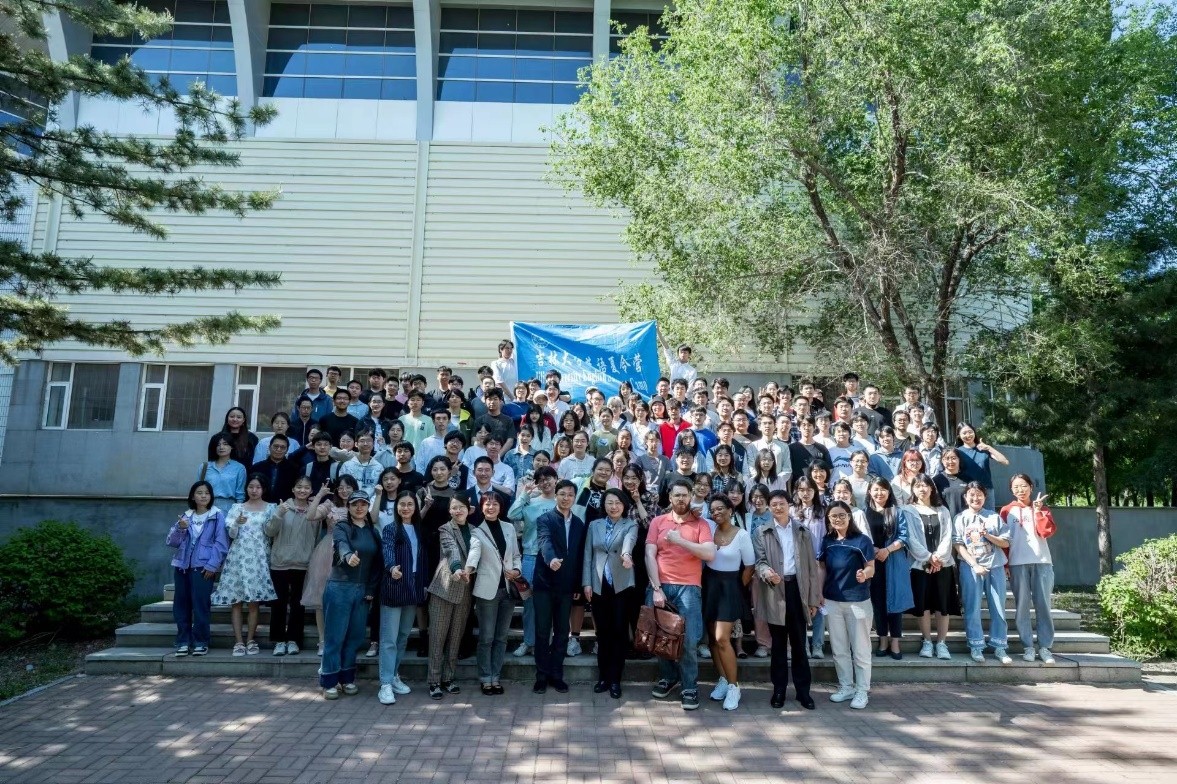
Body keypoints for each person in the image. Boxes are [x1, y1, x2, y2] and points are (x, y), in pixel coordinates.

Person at [646, 478, 716, 711]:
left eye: (685, 495)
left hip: (689, 588)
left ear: (691, 496)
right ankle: (668, 677)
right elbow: (649, 554)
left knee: (688, 640)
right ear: (670, 497)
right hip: (661, 585)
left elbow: (709, 554)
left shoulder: (701, 524)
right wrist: (656, 588)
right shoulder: (658, 521)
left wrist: (680, 540)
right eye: (677, 495)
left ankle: (689, 687)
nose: (681, 499)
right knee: (661, 638)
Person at [752, 489, 821, 710]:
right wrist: (766, 573)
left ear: (789, 505)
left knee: (799, 644)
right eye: (774, 504)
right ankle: (779, 690)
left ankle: (803, 692)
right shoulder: (761, 532)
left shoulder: (802, 531)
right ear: (769, 507)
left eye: (781, 503)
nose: (778, 508)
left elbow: (811, 568)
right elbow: (760, 562)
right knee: (778, 645)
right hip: (775, 590)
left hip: (798, 590)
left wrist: (813, 599)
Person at [319, 490, 383, 699]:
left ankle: (347, 678)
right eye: (355, 504)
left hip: (362, 590)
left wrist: (371, 590)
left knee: (355, 637)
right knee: (335, 636)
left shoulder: (373, 532)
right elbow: (341, 544)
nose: (359, 507)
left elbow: (377, 565)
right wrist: (347, 556)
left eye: (363, 504)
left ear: (368, 507)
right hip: (340, 587)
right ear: (348, 507)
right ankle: (329, 681)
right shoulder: (342, 527)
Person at [211, 474, 278, 657]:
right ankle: (239, 641)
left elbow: (272, 532)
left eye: (258, 487)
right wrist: (236, 523)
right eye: (251, 487)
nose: (254, 490)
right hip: (238, 558)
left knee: (254, 603)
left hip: (259, 559)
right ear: (246, 488)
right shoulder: (237, 508)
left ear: (263, 489)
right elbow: (231, 535)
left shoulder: (271, 508)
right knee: (236, 602)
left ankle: (250, 640)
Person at [818, 501, 876, 710]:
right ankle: (846, 686)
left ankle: (862, 690)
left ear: (849, 516)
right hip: (832, 601)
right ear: (828, 519)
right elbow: (822, 568)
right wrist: (819, 593)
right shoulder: (827, 541)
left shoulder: (862, 540)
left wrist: (864, 574)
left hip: (857, 602)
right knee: (839, 648)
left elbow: (871, 567)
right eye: (833, 516)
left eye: (842, 515)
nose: (838, 519)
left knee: (860, 649)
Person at [863, 477, 929, 659]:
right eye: (876, 489)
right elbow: (861, 535)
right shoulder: (864, 513)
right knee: (878, 602)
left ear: (889, 492)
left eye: (883, 489)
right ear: (870, 492)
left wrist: (887, 550)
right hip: (872, 563)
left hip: (894, 562)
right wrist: (873, 549)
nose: (879, 493)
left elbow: (904, 537)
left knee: (895, 602)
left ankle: (895, 642)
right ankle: (883, 639)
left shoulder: (897, 512)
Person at [581, 488, 638, 699]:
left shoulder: (630, 524)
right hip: (598, 585)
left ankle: (615, 679)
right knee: (603, 632)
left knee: (619, 632)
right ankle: (603, 677)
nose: (614, 507)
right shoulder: (594, 525)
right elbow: (588, 555)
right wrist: (586, 583)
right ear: (603, 505)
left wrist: (626, 555)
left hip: (621, 585)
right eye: (609, 503)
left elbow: (629, 542)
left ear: (624, 505)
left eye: (618, 503)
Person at [532, 480, 587, 694]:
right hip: (544, 584)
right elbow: (544, 542)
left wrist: (578, 585)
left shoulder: (579, 524)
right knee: (542, 631)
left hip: (566, 587)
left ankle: (556, 675)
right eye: (562, 494)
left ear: (574, 498)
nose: (566, 498)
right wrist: (551, 559)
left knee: (563, 632)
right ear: (556, 495)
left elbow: (579, 556)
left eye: (570, 495)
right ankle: (541, 676)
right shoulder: (544, 519)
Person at [703, 494, 755, 711]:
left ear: (730, 510)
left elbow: (749, 567)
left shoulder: (742, 535)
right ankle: (723, 679)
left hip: (730, 587)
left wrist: (736, 588)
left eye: (720, 508)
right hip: (709, 586)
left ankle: (734, 687)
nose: (716, 513)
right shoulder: (708, 529)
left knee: (722, 638)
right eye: (713, 510)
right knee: (712, 640)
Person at [166, 481, 229, 657]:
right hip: (182, 566)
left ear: (211, 496)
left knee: (201, 605)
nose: (203, 496)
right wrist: (180, 528)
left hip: (203, 568)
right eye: (199, 493)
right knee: (181, 605)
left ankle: (201, 641)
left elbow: (221, 543)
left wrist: (212, 565)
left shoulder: (217, 516)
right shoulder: (185, 516)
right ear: (193, 496)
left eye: (207, 493)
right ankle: (183, 641)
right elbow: (172, 542)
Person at [378, 491, 429, 705]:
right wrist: (392, 568)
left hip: (413, 587)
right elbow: (387, 551)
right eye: (402, 504)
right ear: (396, 507)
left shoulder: (419, 529)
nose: (406, 508)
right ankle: (385, 684)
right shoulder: (391, 529)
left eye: (410, 504)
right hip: (395, 585)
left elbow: (423, 558)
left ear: (415, 507)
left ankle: (394, 675)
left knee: (403, 636)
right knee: (389, 639)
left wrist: (424, 583)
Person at [1001, 474, 1057, 664]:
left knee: (1044, 606)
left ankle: (1045, 647)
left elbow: (1046, 532)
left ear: (1031, 487)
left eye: (1024, 486)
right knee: (1022, 606)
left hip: (1042, 562)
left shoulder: (1041, 508)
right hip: (1017, 564)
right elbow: (1003, 541)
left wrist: (1039, 512)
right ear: (1011, 490)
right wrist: (1005, 564)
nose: (1020, 490)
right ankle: (1028, 647)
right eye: (1016, 487)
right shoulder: (1006, 511)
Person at [426, 496, 478, 699]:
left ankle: (448, 678)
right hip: (444, 587)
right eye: (454, 508)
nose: (458, 511)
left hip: (465, 589)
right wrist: (457, 568)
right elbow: (451, 550)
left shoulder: (475, 530)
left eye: (461, 507)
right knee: (437, 637)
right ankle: (434, 681)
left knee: (456, 637)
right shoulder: (445, 529)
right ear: (449, 511)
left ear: (469, 509)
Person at [954, 482, 1012, 664]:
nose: (975, 498)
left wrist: (987, 535)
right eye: (971, 494)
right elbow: (958, 545)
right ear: (965, 497)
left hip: (995, 566)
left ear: (985, 497)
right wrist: (974, 565)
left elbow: (1006, 542)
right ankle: (976, 645)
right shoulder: (960, 518)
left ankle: (999, 646)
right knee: (972, 607)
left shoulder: (994, 517)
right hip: (970, 567)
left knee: (998, 607)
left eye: (979, 494)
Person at [470, 492, 522, 695]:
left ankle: (496, 677)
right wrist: (468, 568)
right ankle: (485, 678)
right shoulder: (476, 531)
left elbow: (516, 555)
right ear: (481, 507)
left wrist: (516, 570)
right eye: (487, 504)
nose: (491, 507)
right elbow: (474, 553)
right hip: (487, 591)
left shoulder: (509, 528)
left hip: (508, 590)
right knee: (486, 637)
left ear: (501, 507)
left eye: (495, 504)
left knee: (501, 637)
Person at [302, 474, 359, 656]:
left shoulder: (359, 505)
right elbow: (310, 516)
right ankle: (322, 640)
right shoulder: (330, 505)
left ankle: (342, 640)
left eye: (348, 487)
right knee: (322, 597)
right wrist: (320, 495)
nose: (344, 491)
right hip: (328, 552)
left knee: (346, 599)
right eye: (341, 487)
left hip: (352, 552)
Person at [264, 476, 318, 656]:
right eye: (299, 487)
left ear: (311, 491)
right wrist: (278, 514)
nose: (303, 490)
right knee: (278, 604)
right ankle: (279, 641)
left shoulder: (315, 511)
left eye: (307, 487)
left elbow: (316, 536)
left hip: (303, 563)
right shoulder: (283, 507)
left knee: (298, 604)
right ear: (293, 489)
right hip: (280, 562)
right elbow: (269, 531)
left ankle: (294, 640)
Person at [904, 474, 956, 660]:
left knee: (943, 604)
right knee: (923, 604)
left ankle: (941, 643)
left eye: (925, 485)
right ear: (913, 489)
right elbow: (910, 538)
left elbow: (948, 536)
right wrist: (928, 557)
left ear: (932, 488)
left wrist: (938, 558)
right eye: (918, 485)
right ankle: (927, 641)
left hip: (943, 564)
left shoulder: (943, 510)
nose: (922, 489)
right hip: (919, 565)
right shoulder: (907, 510)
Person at [509, 466, 558, 658]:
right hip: (531, 556)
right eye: (541, 480)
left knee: (551, 602)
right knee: (529, 602)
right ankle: (528, 641)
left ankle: (547, 642)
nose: (545, 483)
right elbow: (512, 514)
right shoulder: (530, 503)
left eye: (549, 478)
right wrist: (524, 494)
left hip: (554, 559)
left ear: (556, 479)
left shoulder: (561, 502)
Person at [954, 423, 1010, 500]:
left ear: (974, 432)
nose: (968, 435)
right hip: (967, 492)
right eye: (964, 433)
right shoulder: (957, 452)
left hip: (986, 490)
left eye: (970, 432)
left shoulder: (983, 449)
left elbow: (1005, 461)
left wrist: (989, 448)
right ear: (959, 436)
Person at [200, 435, 245, 512]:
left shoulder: (239, 468)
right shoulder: (204, 466)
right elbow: (198, 489)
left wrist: (238, 512)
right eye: (218, 445)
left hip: (229, 507)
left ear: (232, 446)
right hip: (206, 506)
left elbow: (240, 494)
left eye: (225, 444)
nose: (221, 447)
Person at [249, 433, 299, 503]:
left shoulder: (294, 469)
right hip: (259, 506)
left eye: (282, 447)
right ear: (269, 447)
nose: (278, 449)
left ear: (287, 450)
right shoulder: (257, 468)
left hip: (285, 506)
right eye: (276, 446)